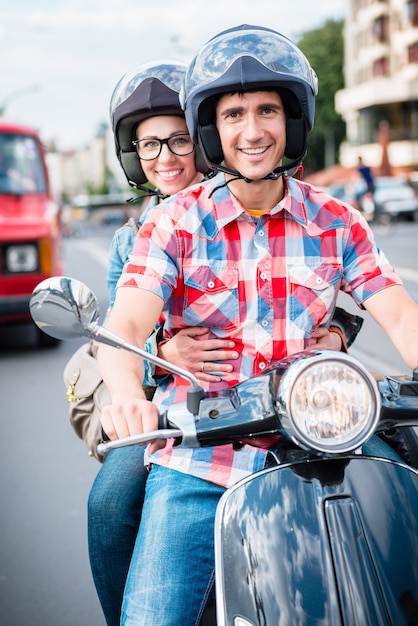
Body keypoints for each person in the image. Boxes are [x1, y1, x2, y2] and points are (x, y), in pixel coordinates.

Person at [97, 25, 417, 625]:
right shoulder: (173, 223)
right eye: (234, 113)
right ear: (213, 130)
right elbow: (124, 325)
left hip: (325, 447)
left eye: (267, 109)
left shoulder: (339, 221)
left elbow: (399, 312)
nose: (252, 131)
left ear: (293, 121)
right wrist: (125, 398)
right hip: (200, 460)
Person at [87, 60, 244, 626]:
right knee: (109, 503)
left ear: (202, 137)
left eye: (177, 138)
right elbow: (117, 330)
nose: (165, 157)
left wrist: (334, 331)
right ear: (133, 157)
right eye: (148, 145)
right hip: (173, 402)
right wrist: (163, 351)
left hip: (272, 391)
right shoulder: (132, 237)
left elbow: (330, 289)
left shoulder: (256, 198)